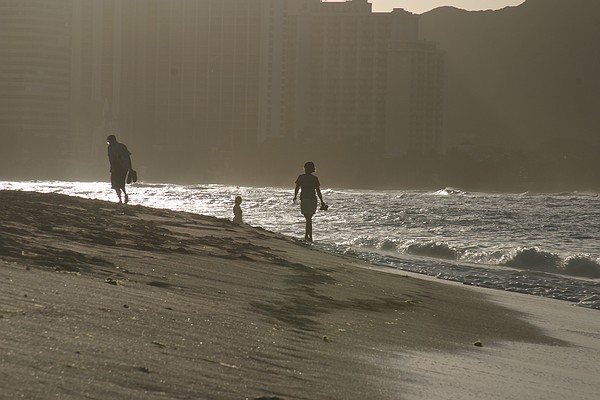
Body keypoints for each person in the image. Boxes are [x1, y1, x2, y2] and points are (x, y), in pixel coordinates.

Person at [293, 161, 326, 242]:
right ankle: (309, 236)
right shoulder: (314, 178)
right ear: (312, 169)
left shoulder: (301, 177)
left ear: (305, 168)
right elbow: (318, 191)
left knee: (307, 218)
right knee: (309, 218)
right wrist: (322, 201)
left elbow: (297, 188)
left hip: (304, 199)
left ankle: (307, 236)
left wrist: (295, 196)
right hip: (312, 199)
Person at [106, 134, 133, 204]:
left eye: (108, 141)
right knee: (121, 182)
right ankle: (125, 195)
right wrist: (130, 168)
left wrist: (112, 168)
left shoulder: (110, 147)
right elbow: (128, 158)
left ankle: (120, 199)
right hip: (124, 168)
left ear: (111, 140)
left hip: (116, 168)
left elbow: (111, 159)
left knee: (115, 184)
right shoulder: (122, 146)